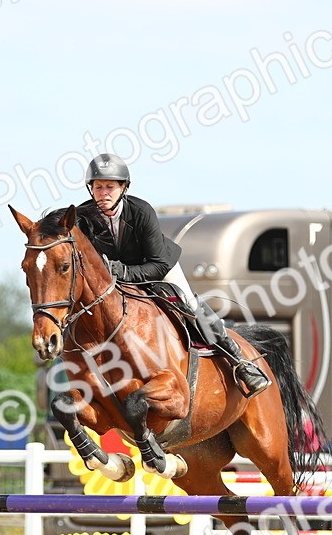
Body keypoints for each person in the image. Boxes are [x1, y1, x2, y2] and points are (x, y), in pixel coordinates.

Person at [74, 154, 270, 398]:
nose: (103, 193)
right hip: (113, 281)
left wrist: (123, 271)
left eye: (110, 187)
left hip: (156, 268)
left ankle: (238, 361)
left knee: (189, 302)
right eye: (98, 187)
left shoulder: (141, 211)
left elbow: (157, 265)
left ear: (124, 187)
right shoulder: (82, 218)